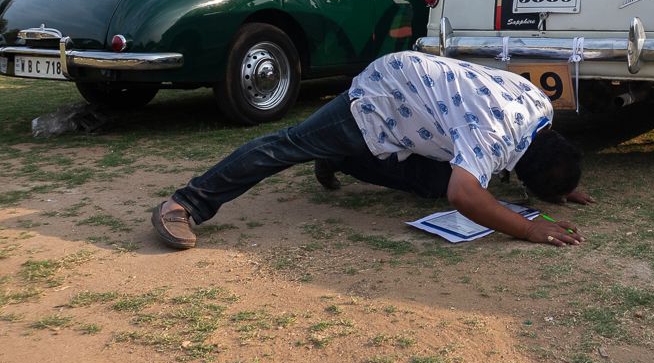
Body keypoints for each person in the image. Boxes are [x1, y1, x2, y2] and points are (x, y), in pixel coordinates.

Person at [152, 51, 593, 250]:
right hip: (384, 96)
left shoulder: (539, 106)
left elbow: (541, 155)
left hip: (418, 99)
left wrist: (557, 185)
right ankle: (186, 203)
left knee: (431, 181)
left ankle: (341, 157)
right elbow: (465, 196)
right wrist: (526, 228)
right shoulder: (493, 138)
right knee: (286, 147)